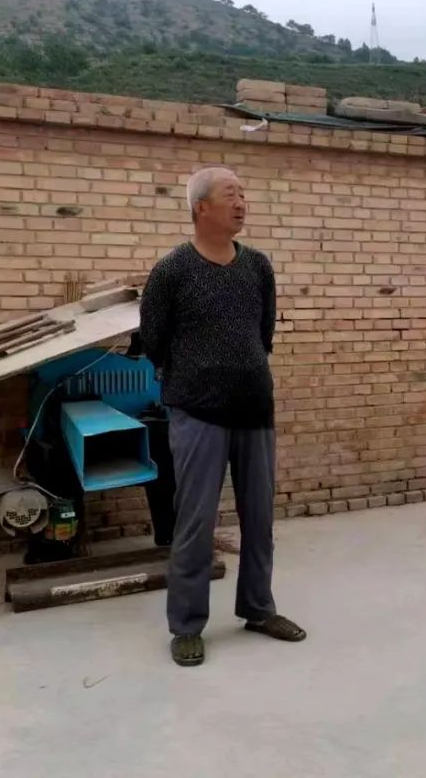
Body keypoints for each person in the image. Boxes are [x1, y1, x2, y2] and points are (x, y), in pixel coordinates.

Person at [140, 166, 306, 667]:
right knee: (195, 522)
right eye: (230, 194)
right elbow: (154, 340)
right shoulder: (172, 271)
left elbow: (263, 332)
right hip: (197, 411)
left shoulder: (257, 266)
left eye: (243, 194)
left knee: (259, 517)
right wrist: (197, 375)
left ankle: (258, 608)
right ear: (201, 208)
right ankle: (187, 625)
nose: (241, 203)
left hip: (254, 407)